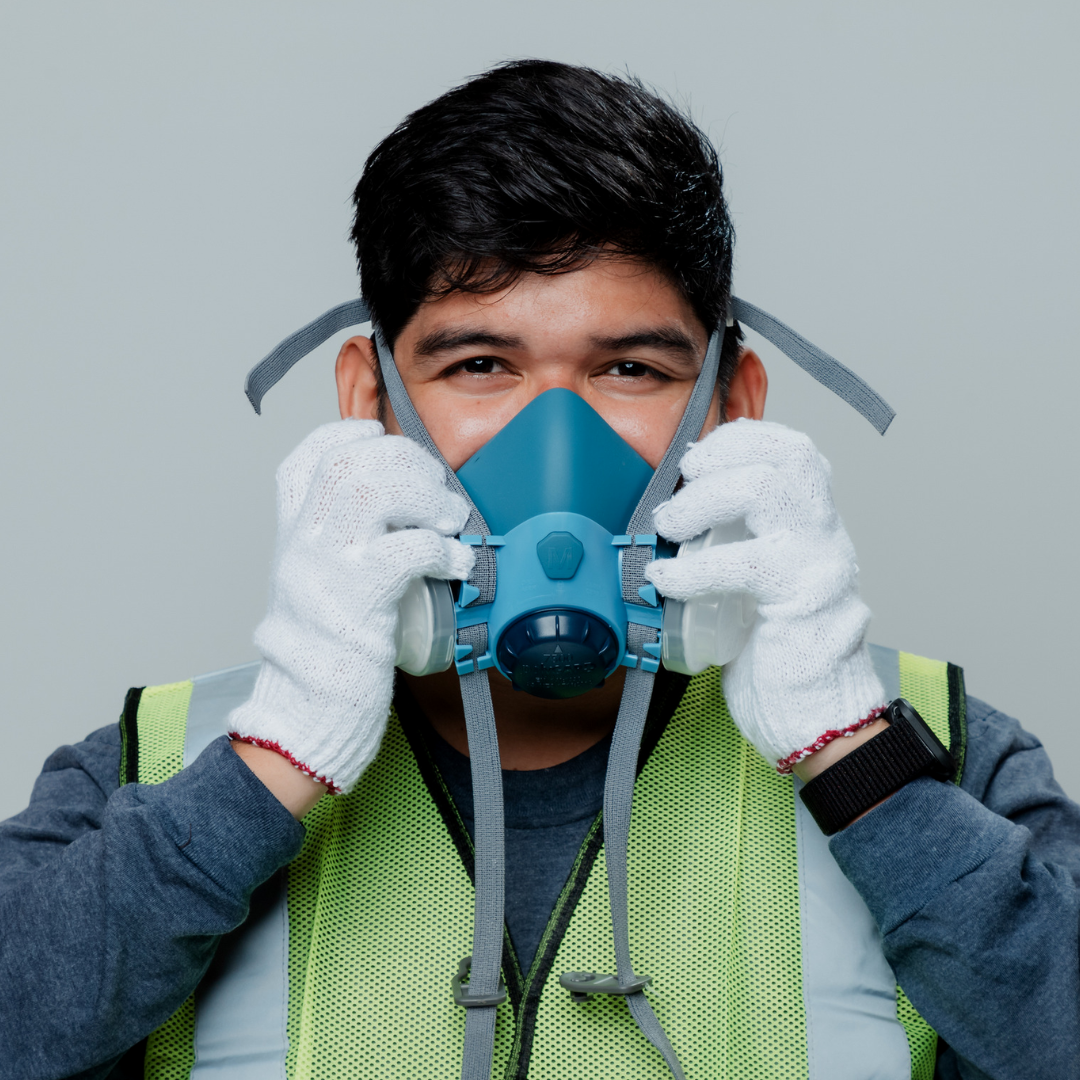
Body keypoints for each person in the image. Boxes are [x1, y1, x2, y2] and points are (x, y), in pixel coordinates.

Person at [1, 60, 1077, 1080]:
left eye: (630, 368)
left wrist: (850, 754)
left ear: (735, 405)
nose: (553, 436)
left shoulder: (940, 757)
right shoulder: (154, 766)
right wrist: (270, 763)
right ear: (369, 403)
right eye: (479, 364)